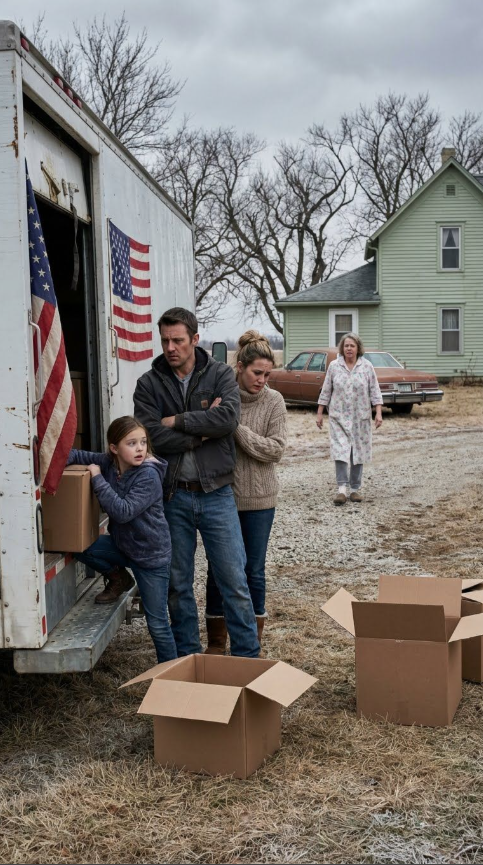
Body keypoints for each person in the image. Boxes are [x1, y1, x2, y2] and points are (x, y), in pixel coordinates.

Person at [133, 307, 260, 658]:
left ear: (194, 339)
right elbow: (150, 438)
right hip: (172, 497)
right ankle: (189, 660)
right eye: (165, 341)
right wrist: (199, 434)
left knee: (234, 580)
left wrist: (177, 421)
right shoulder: (149, 383)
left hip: (216, 494)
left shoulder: (219, 374)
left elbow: (226, 419)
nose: (170, 347)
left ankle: (248, 660)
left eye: (178, 340)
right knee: (177, 585)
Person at [67, 416, 177, 663]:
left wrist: (96, 479)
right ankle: (119, 577)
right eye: (131, 443)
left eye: (143, 442)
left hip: (151, 557)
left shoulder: (148, 475)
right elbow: (77, 455)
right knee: (80, 545)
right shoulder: (109, 462)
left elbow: (123, 512)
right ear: (114, 448)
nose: (140, 449)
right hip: (124, 546)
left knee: (157, 623)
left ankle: (171, 677)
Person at [204, 331, 287, 654]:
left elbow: (275, 450)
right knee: (218, 567)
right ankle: (215, 641)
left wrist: (234, 425)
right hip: (222, 497)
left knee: (253, 569)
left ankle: (252, 641)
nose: (262, 380)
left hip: (260, 501)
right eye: (257, 373)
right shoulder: (224, 396)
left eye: (268, 374)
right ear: (239, 367)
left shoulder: (274, 401)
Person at [316, 333, 383, 505]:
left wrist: (378, 412)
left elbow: (374, 390)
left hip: (360, 417)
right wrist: (320, 412)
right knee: (340, 451)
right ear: (342, 348)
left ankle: (354, 489)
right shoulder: (334, 366)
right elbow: (326, 390)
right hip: (338, 416)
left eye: (352, 346)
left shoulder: (366, 367)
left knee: (357, 452)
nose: (349, 349)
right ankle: (341, 490)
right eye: (346, 346)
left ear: (358, 348)